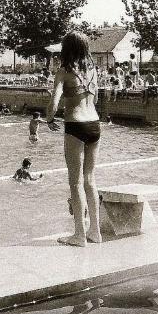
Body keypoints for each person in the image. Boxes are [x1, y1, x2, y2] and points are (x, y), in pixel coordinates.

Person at [46, 31, 102, 247]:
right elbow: (95, 98)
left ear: (65, 49)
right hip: (94, 125)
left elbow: (54, 102)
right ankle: (94, 231)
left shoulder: (63, 72)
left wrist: (50, 118)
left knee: (75, 181)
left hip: (76, 125)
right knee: (90, 179)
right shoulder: (93, 70)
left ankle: (79, 234)